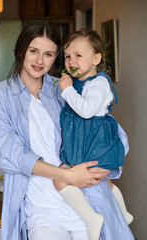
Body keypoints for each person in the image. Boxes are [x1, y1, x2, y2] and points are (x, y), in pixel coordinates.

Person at [0, 19, 134, 240]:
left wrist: (101, 167)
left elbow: (111, 132)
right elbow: (10, 154)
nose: (39, 60)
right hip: (43, 210)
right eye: (33, 50)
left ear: (56, 58)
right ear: (21, 49)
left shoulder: (65, 87)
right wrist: (67, 175)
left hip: (86, 205)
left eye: (49, 54)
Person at [53, 28, 133, 240]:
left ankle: (91, 218)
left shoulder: (98, 84)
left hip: (95, 145)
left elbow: (86, 111)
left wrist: (67, 89)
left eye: (78, 55)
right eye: (68, 56)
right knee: (101, 181)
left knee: (60, 180)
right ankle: (123, 213)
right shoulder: (80, 81)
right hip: (84, 142)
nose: (71, 61)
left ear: (96, 58)